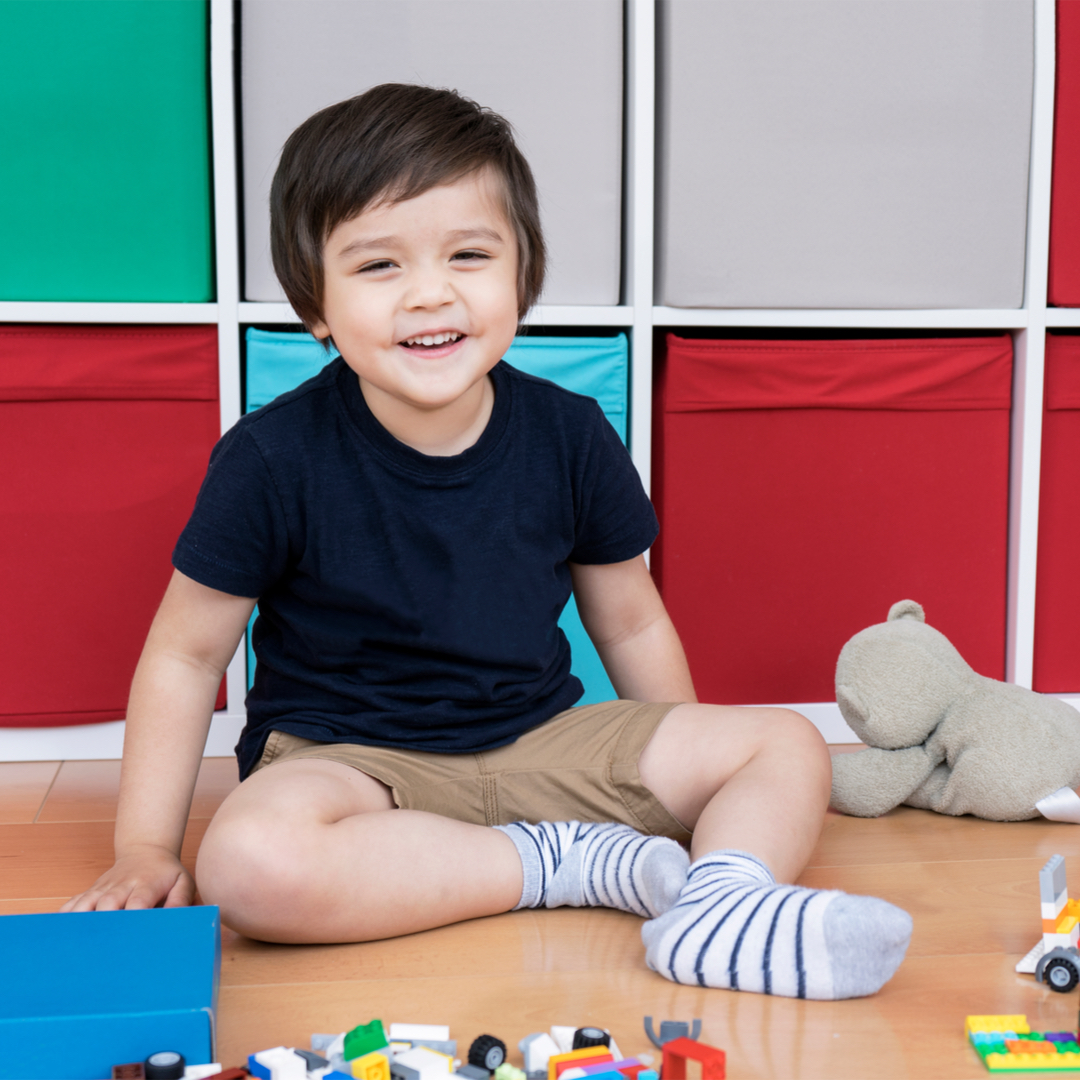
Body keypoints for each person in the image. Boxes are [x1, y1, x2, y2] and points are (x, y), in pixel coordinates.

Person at [63, 84, 911, 1000]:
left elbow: (628, 623)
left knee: (787, 745)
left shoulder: (573, 434)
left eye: (469, 255)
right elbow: (187, 658)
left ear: (521, 278)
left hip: (542, 738)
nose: (432, 293)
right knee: (248, 865)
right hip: (352, 764)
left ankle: (719, 904)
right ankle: (566, 867)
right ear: (316, 307)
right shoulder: (270, 457)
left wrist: (684, 791)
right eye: (379, 266)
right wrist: (145, 849)